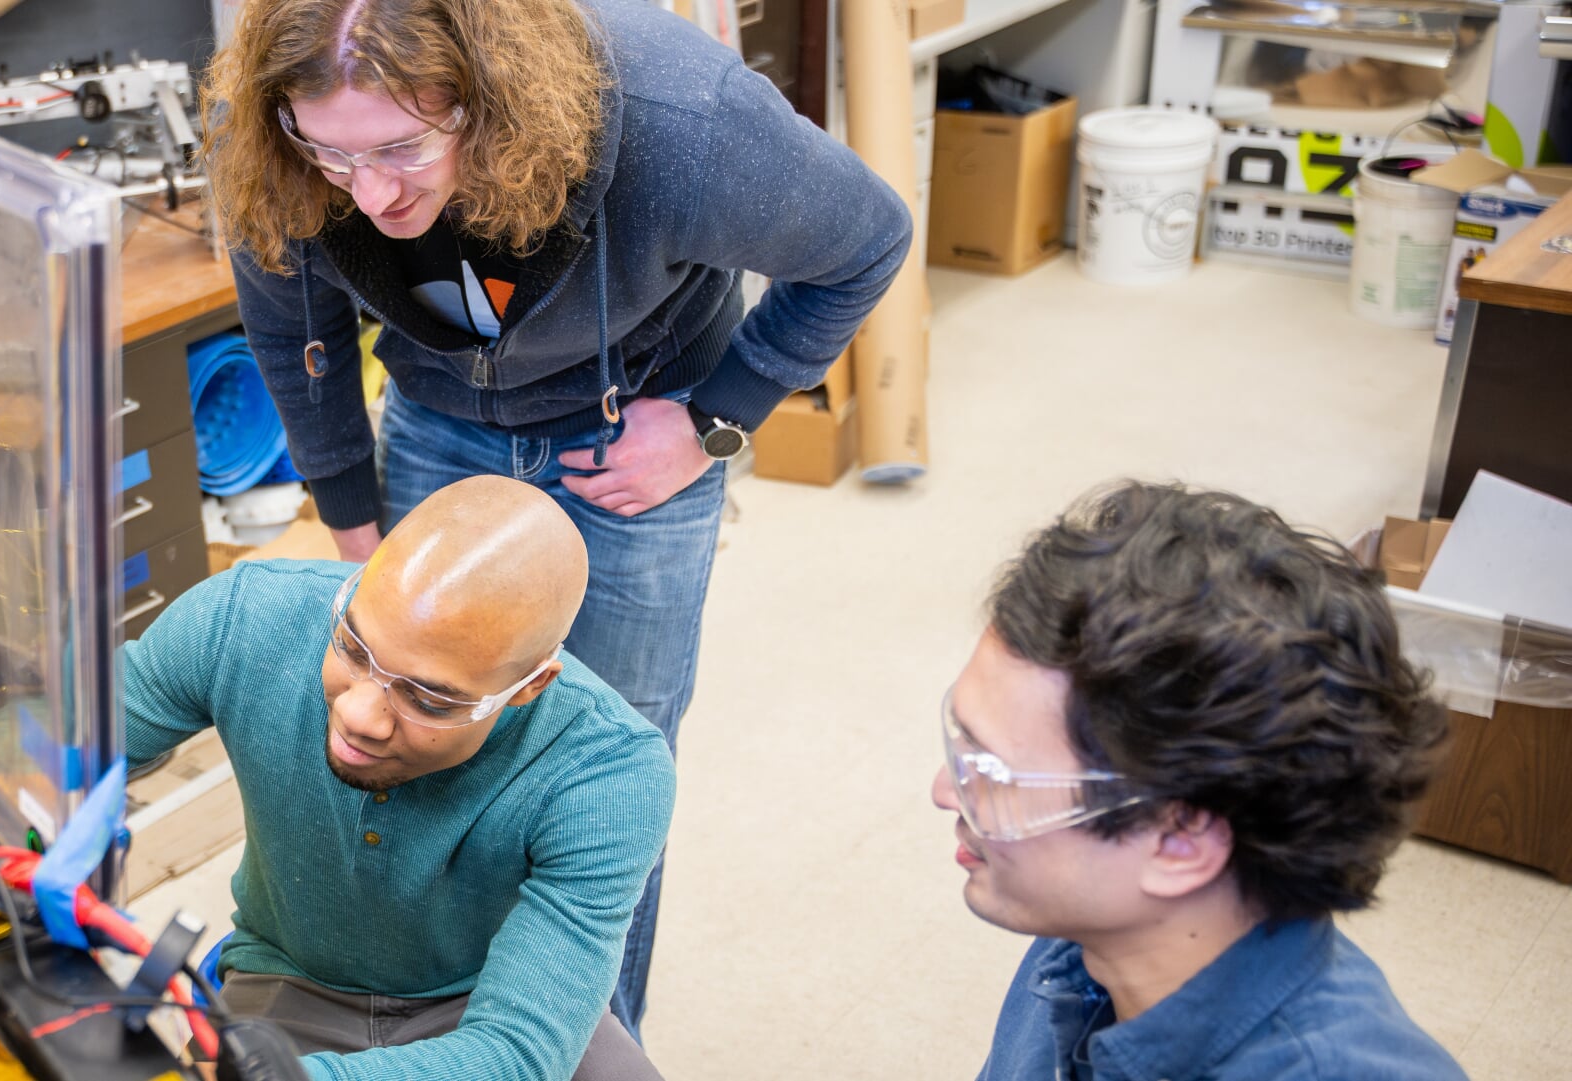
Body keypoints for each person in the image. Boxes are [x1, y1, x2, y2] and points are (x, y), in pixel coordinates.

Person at [203, 0, 911, 1028]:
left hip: (632, 437)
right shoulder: (273, 129)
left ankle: (585, 1043)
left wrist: (717, 416)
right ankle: (442, 1021)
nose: (372, 192)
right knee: (423, 720)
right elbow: (291, 328)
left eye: (403, 146)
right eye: (334, 156)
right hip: (439, 415)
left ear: (489, 98)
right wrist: (349, 509)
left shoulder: (682, 118)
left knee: (603, 758)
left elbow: (868, 240)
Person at [121, 476, 672, 1081]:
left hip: (483, 997)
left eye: (430, 699)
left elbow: (517, 1054)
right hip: (290, 977)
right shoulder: (241, 617)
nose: (359, 716)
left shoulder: (611, 771)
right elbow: (65, 747)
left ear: (530, 686)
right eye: (354, 648)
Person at [934, 482, 1464, 1080]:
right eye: (961, 747)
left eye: (992, 772)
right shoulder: (1091, 943)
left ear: (1179, 840)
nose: (943, 790)